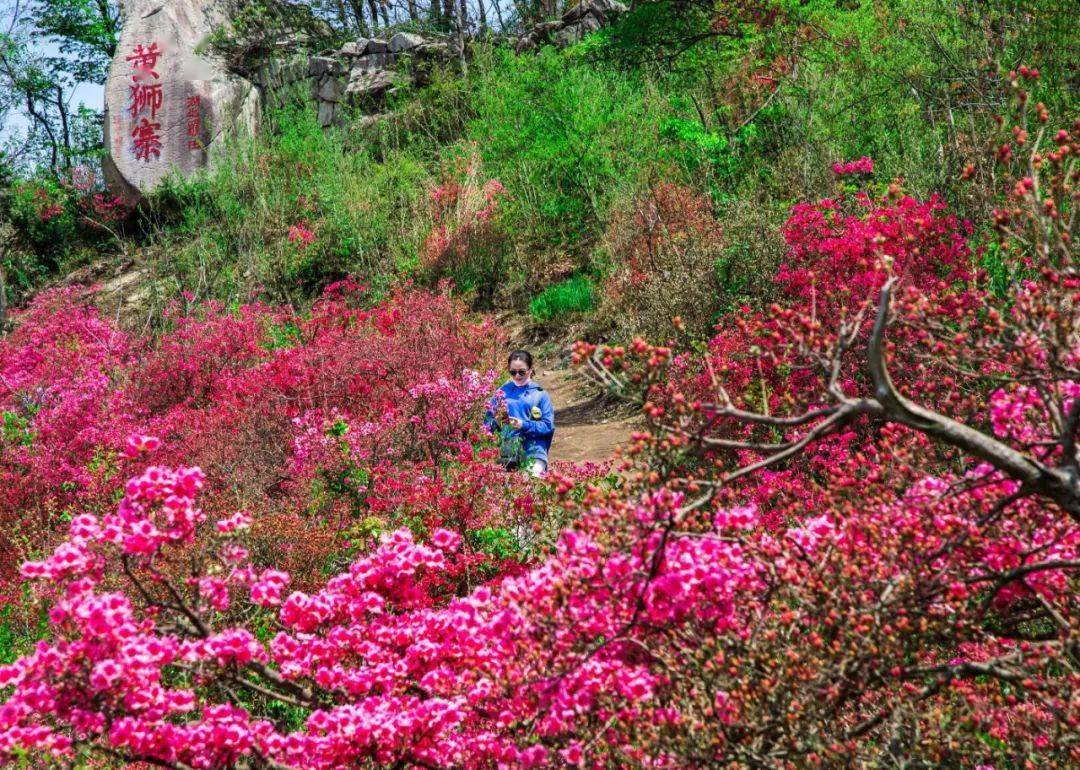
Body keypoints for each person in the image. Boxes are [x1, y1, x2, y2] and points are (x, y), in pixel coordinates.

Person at [485, 350, 555, 476]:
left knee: (531, 487)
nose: (517, 376)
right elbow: (486, 424)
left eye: (522, 372)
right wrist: (496, 422)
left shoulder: (540, 394)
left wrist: (523, 424)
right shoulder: (502, 392)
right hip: (508, 450)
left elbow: (547, 426)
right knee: (508, 491)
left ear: (530, 369)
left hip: (534, 449)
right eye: (513, 372)